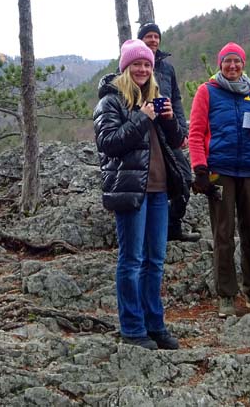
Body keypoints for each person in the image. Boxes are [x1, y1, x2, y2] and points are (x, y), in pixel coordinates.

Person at [93, 39, 185, 350]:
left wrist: (169, 120)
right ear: (125, 68)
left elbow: (176, 142)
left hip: (159, 189)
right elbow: (108, 142)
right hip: (131, 191)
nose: (143, 69)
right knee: (131, 260)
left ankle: (155, 324)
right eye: (137, 64)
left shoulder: (155, 97)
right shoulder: (111, 101)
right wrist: (142, 117)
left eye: (147, 64)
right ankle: (132, 328)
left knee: (155, 261)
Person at [188, 42, 250, 318]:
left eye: (237, 62)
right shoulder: (207, 91)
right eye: (227, 61)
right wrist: (200, 169)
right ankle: (226, 295)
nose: (232, 66)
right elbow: (195, 132)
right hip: (220, 170)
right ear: (220, 64)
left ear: (243, 64)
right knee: (224, 234)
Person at [137, 22, 198, 242]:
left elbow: (176, 99)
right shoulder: (134, 65)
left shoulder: (167, 68)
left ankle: (173, 225)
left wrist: (181, 129)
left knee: (183, 178)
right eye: (148, 36)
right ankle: (146, 231)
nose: (153, 40)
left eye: (156, 36)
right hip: (144, 133)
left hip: (169, 132)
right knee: (146, 183)